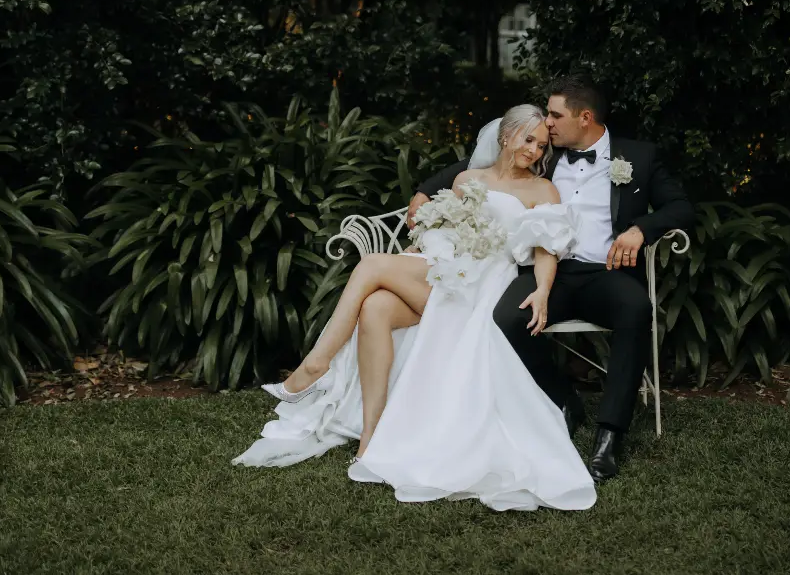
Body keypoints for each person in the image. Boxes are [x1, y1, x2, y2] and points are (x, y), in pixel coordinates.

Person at [233, 104, 596, 512]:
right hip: (445, 270)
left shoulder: (542, 190)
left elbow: (546, 248)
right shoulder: (466, 180)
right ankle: (370, 436)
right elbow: (441, 230)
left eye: (542, 145)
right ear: (505, 136)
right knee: (375, 308)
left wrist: (543, 289)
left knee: (372, 265)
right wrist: (418, 249)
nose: (534, 151)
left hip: (484, 283)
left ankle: (315, 365)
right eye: (528, 139)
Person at [410, 73, 694, 483]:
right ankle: (563, 397)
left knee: (635, 308)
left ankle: (610, 435)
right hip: (549, 270)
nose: (547, 123)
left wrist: (640, 229)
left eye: (556, 115)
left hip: (605, 274)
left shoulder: (639, 156)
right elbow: (484, 166)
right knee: (506, 317)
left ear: (585, 117)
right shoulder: (546, 152)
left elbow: (681, 207)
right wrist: (426, 189)